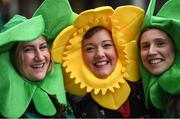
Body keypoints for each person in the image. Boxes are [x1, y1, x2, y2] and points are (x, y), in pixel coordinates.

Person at [51, 5, 159, 118]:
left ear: (118, 49)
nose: (99, 54)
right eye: (90, 49)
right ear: (81, 57)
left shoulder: (145, 90)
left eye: (106, 45)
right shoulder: (72, 107)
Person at [0, 0, 76, 118]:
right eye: (28, 49)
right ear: (13, 57)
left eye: (43, 47)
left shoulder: (70, 98)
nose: (40, 57)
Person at [138, 0, 180, 117]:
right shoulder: (138, 96)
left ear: (175, 48)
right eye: (145, 46)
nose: (151, 52)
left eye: (160, 43)